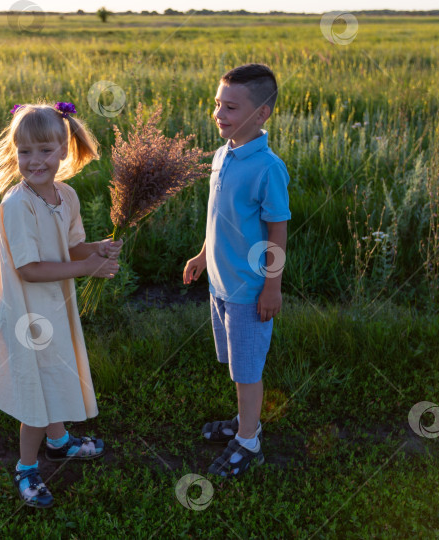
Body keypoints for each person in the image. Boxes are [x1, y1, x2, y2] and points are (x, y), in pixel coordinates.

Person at [0, 101, 123, 508]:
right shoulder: (16, 206)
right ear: (15, 153)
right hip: (26, 312)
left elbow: (71, 246)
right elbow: (29, 270)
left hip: (54, 307)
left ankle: (58, 442)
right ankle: (26, 467)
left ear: (64, 149)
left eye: (44, 150)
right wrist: (87, 270)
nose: (34, 161)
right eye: (24, 152)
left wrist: (97, 249)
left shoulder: (67, 195)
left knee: (53, 373)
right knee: (33, 393)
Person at [183, 64, 291, 478]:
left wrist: (272, 288)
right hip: (220, 283)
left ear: (261, 113)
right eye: (216, 104)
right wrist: (201, 255)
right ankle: (243, 422)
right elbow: (219, 219)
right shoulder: (221, 155)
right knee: (236, 365)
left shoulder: (267, 168)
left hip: (249, 290)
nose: (219, 114)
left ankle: (249, 441)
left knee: (248, 372)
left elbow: (277, 232)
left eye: (230, 107)